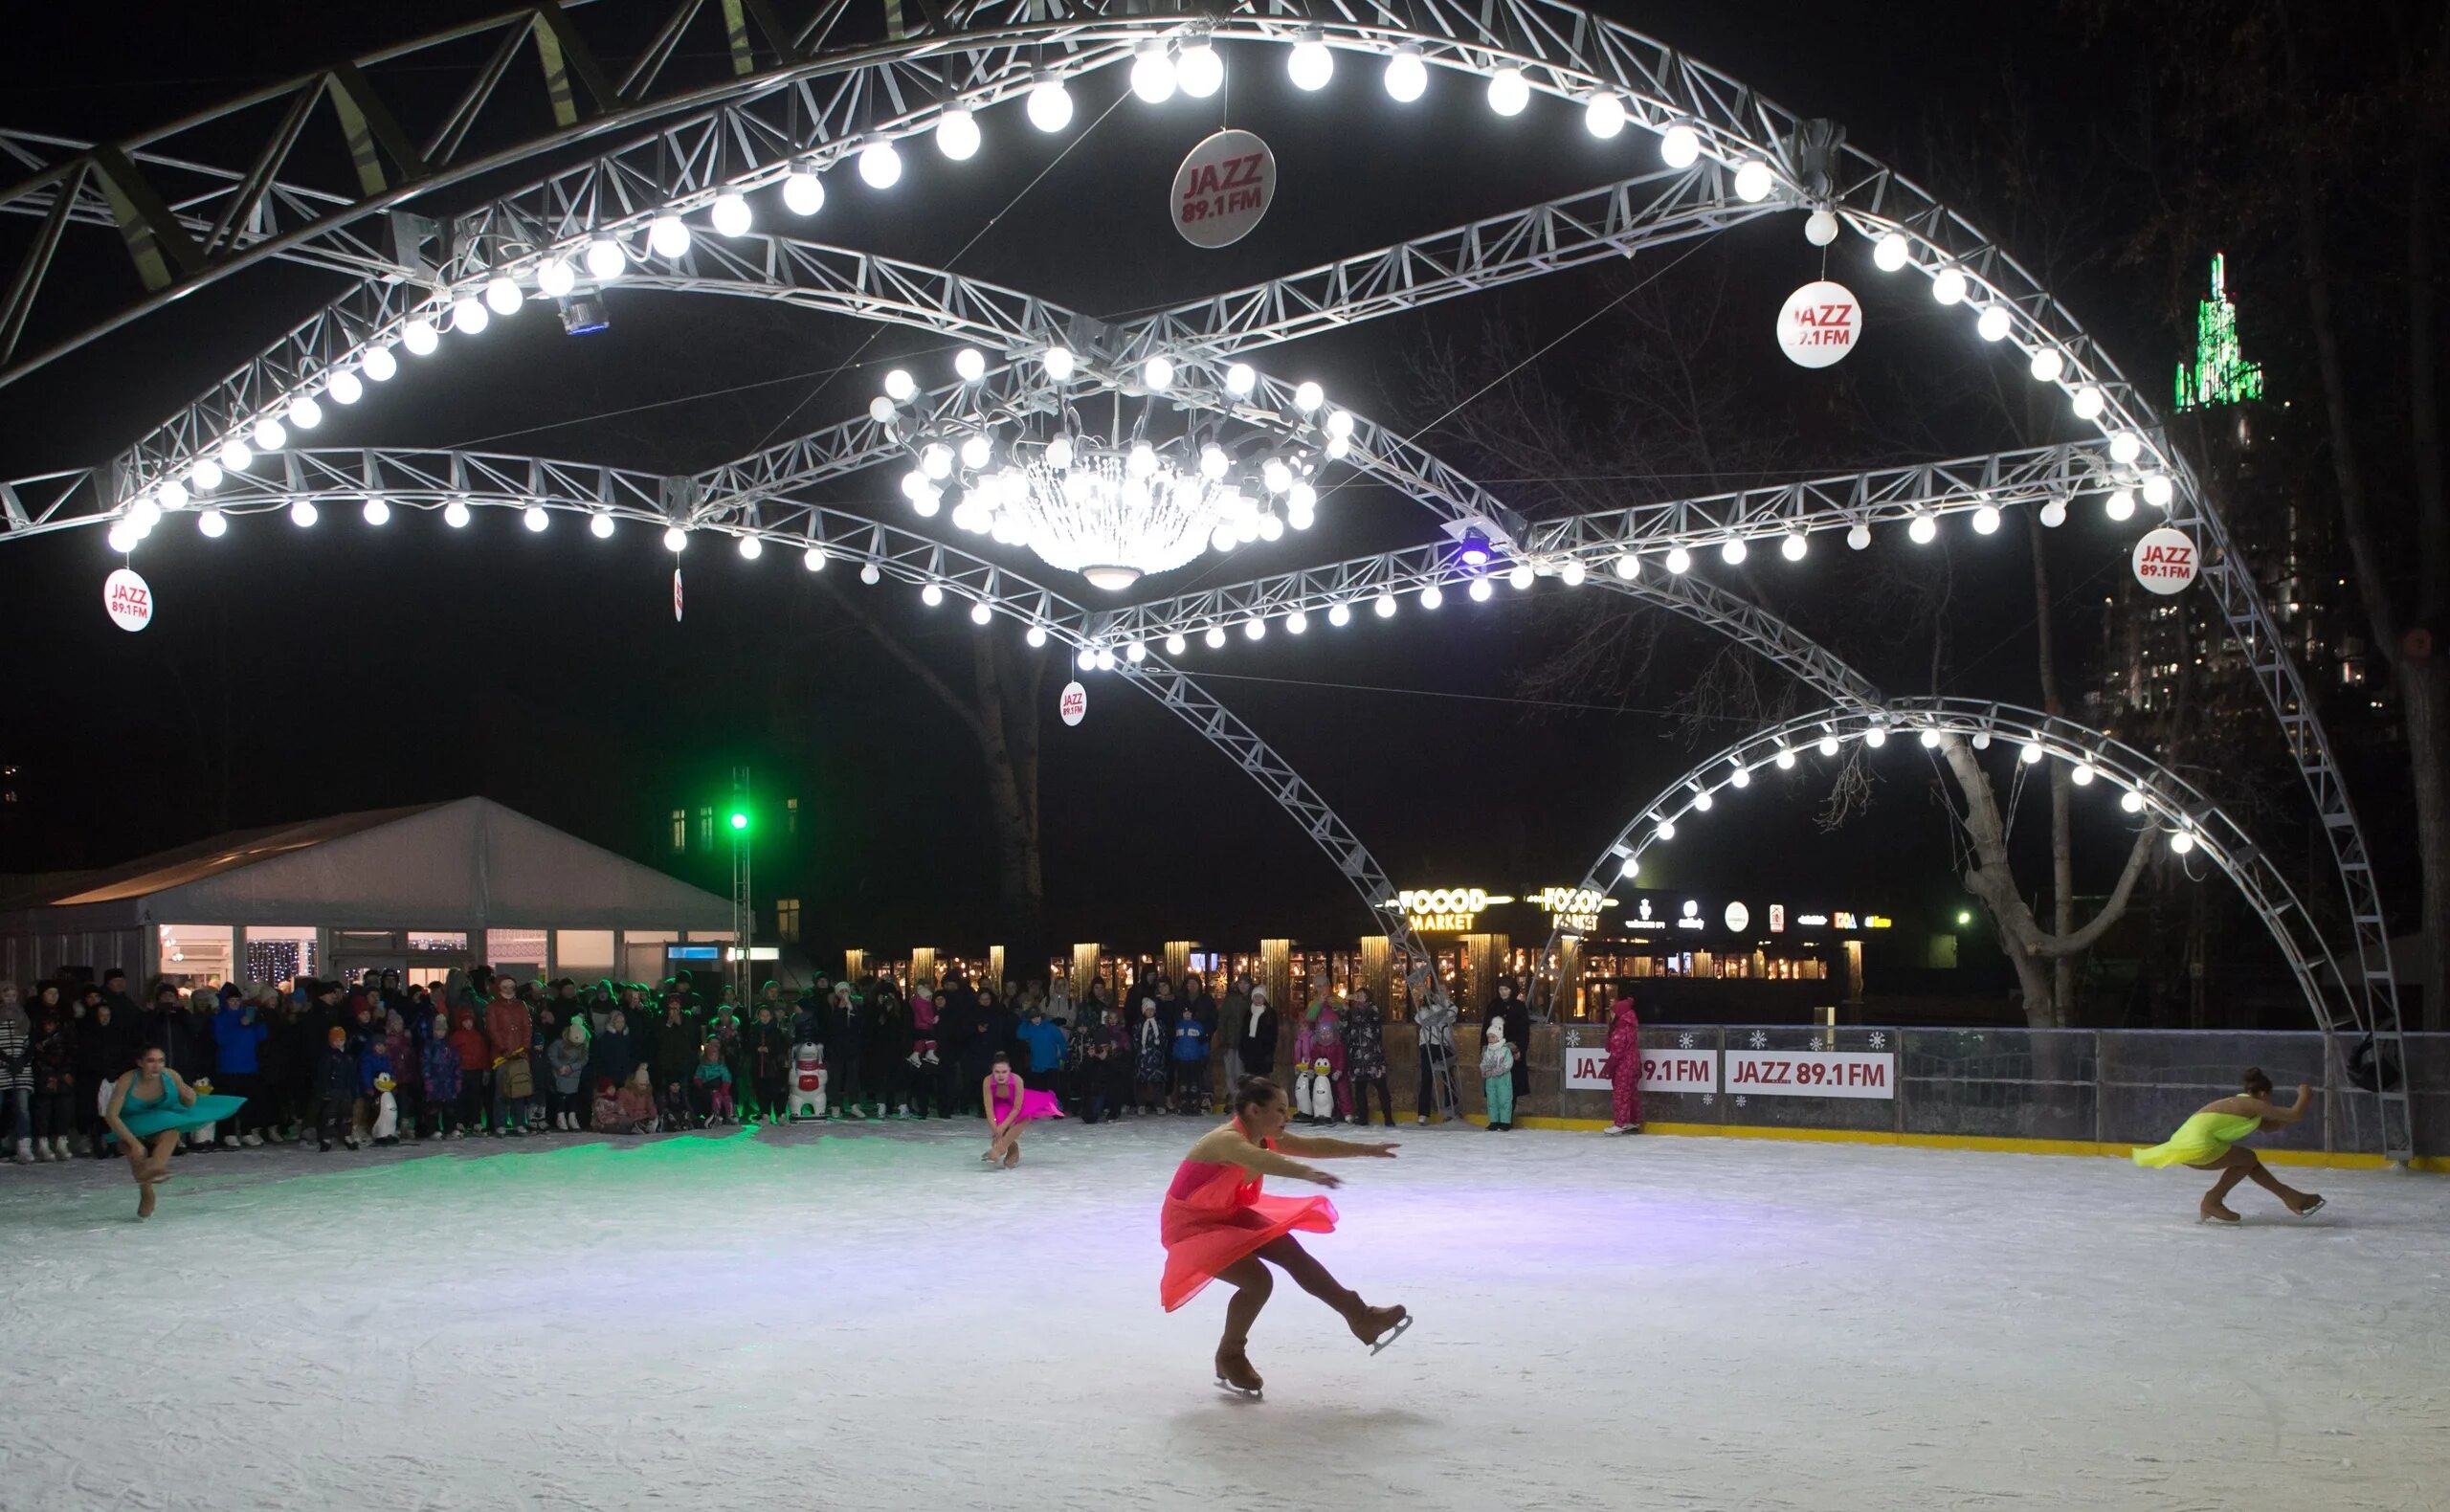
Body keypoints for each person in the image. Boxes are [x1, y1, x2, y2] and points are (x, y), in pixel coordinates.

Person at [1161, 1075, 1411, 1396]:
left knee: (1291, 1251)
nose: (1286, 1117)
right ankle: (1230, 1354)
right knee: (1258, 1281)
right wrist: (1307, 1173)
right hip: (1192, 1227)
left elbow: (1312, 1146)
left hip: (1227, 1213)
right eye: (1279, 1110)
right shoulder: (1227, 1140)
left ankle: (1361, 1317)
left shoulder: (1260, 1134)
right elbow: (1260, 1160)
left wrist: (1366, 1150)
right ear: (1254, 1110)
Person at [2132, 1068, 2328, 1223]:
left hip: (2185, 1145)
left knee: (2247, 1160)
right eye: (2269, 1097)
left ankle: (2292, 1198)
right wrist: (2304, 1095)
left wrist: (2296, 1109)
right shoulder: (2252, 1104)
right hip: (2198, 1145)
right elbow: (2294, 1115)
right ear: (2262, 1093)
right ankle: (2213, 1200)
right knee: (2248, 1159)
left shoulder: (2246, 1108)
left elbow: (2272, 1126)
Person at [102, 1045, 247, 1217]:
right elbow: (111, 1115)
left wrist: (190, 1097)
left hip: (158, 1121)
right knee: (137, 1153)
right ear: (140, 1062)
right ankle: (146, 1191)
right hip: (129, 1125)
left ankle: (157, 1167)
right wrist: (135, 1144)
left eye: (160, 1061)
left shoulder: (171, 1076)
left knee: (172, 1132)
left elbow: (188, 1102)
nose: (156, 1066)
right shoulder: (127, 1080)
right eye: (150, 1061)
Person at [981, 1051, 1062, 1167]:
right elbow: (988, 1108)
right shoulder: (987, 1081)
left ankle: (999, 1149)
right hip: (1000, 1103)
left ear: (1010, 1071)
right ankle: (1013, 1149)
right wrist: (996, 1131)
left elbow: (1016, 1108)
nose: (1000, 1075)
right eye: (997, 1072)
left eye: (1004, 1072)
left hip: (1020, 1103)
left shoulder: (1017, 1080)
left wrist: (1002, 1130)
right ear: (992, 1071)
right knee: (999, 1123)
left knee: (1025, 1117)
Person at [1343, 988, 1393, 1127]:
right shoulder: (1352, 1013)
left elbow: (1376, 1017)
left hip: (1373, 1056)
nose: (1358, 997)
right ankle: (1362, 1117)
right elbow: (1345, 1028)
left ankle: (1388, 1117)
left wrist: (1366, 1006)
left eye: (1362, 995)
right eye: (1357, 995)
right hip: (1358, 1058)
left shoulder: (1373, 1010)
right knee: (1359, 1089)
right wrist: (1346, 1011)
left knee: (1381, 1087)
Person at [1485, 980, 1531, 1120]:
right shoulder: (1493, 1006)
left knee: (1511, 1088)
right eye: (1501, 989)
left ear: (1512, 990)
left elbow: (1524, 1031)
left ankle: (1506, 1119)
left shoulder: (1519, 1007)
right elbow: (1485, 1029)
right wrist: (1484, 1049)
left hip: (1511, 1053)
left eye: (1506, 989)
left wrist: (1518, 1049)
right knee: (1494, 1089)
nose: (1503, 992)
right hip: (1494, 1053)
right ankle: (1496, 1119)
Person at [1601, 993, 1642, 1135]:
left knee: (1621, 1094)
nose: (1610, 1014)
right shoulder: (1630, 1028)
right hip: (1633, 1064)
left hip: (1624, 1067)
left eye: (1612, 1012)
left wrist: (1609, 1066)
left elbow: (1617, 1052)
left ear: (1619, 1014)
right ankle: (1633, 1121)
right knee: (1631, 1094)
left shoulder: (1621, 1029)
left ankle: (1620, 1123)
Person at [1169, 1000, 1211, 1114]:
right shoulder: (1178, 1026)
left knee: (1194, 1082)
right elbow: (1175, 1043)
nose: (1187, 1014)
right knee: (1183, 1081)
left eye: (1189, 1013)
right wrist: (1175, 1055)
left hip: (1195, 1059)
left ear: (1192, 1014)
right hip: (1182, 1059)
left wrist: (1205, 1055)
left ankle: (1194, 1102)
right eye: (1185, 1012)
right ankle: (1183, 1102)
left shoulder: (1198, 1026)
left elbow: (1203, 1042)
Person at [546, 1022, 590, 1130]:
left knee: (572, 1096)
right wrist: (560, 1067)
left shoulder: (583, 1047)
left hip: (574, 1075)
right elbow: (552, 1055)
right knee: (561, 1096)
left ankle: (572, 1116)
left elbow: (583, 1060)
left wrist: (571, 1067)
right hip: (560, 1074)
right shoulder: (558, 1044)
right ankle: (560, 1117)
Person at [1481, 1017, 1518, 1131]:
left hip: (1503, 1080)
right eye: (1489, 1037)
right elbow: (1484, 1062)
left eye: (1493, 1037)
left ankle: (1505, 1122)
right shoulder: (1488, 1050)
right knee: (1492, 1100)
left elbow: (1508, 1063)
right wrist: (1484, 1070)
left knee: (1504, 1099)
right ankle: (1494, 1121)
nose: (1490, 1039)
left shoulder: (1505, 1050)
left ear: (1499, 1037)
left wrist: (1497, 1071)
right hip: (1491, 1080)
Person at [1132, 997, 1168, 1115]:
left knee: (1158, 1082)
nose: (1150, 1012)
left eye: (1152, 1010)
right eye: (1148, 1010)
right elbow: (1136, 1039)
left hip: (1157, 1057)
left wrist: (1161, 1049)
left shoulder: (1160, 1024)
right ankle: (1141, 1104)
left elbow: (1164, 1038)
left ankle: (1160, 1104)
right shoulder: (1139, 1025)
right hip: (1143, 1057)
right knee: (1141, 1082)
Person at [692, 1039, 736, 1125]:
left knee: (727, 1097)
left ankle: (730, 1115)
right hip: (708, 1088)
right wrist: (702, 1086)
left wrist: (724, 1089)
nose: (713, 1056)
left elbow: (727, 1077)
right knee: (716, 1096)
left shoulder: (721, 1065)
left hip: (720, 1086)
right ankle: (715, 1115)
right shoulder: (703, 1066)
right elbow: (697, 1078)